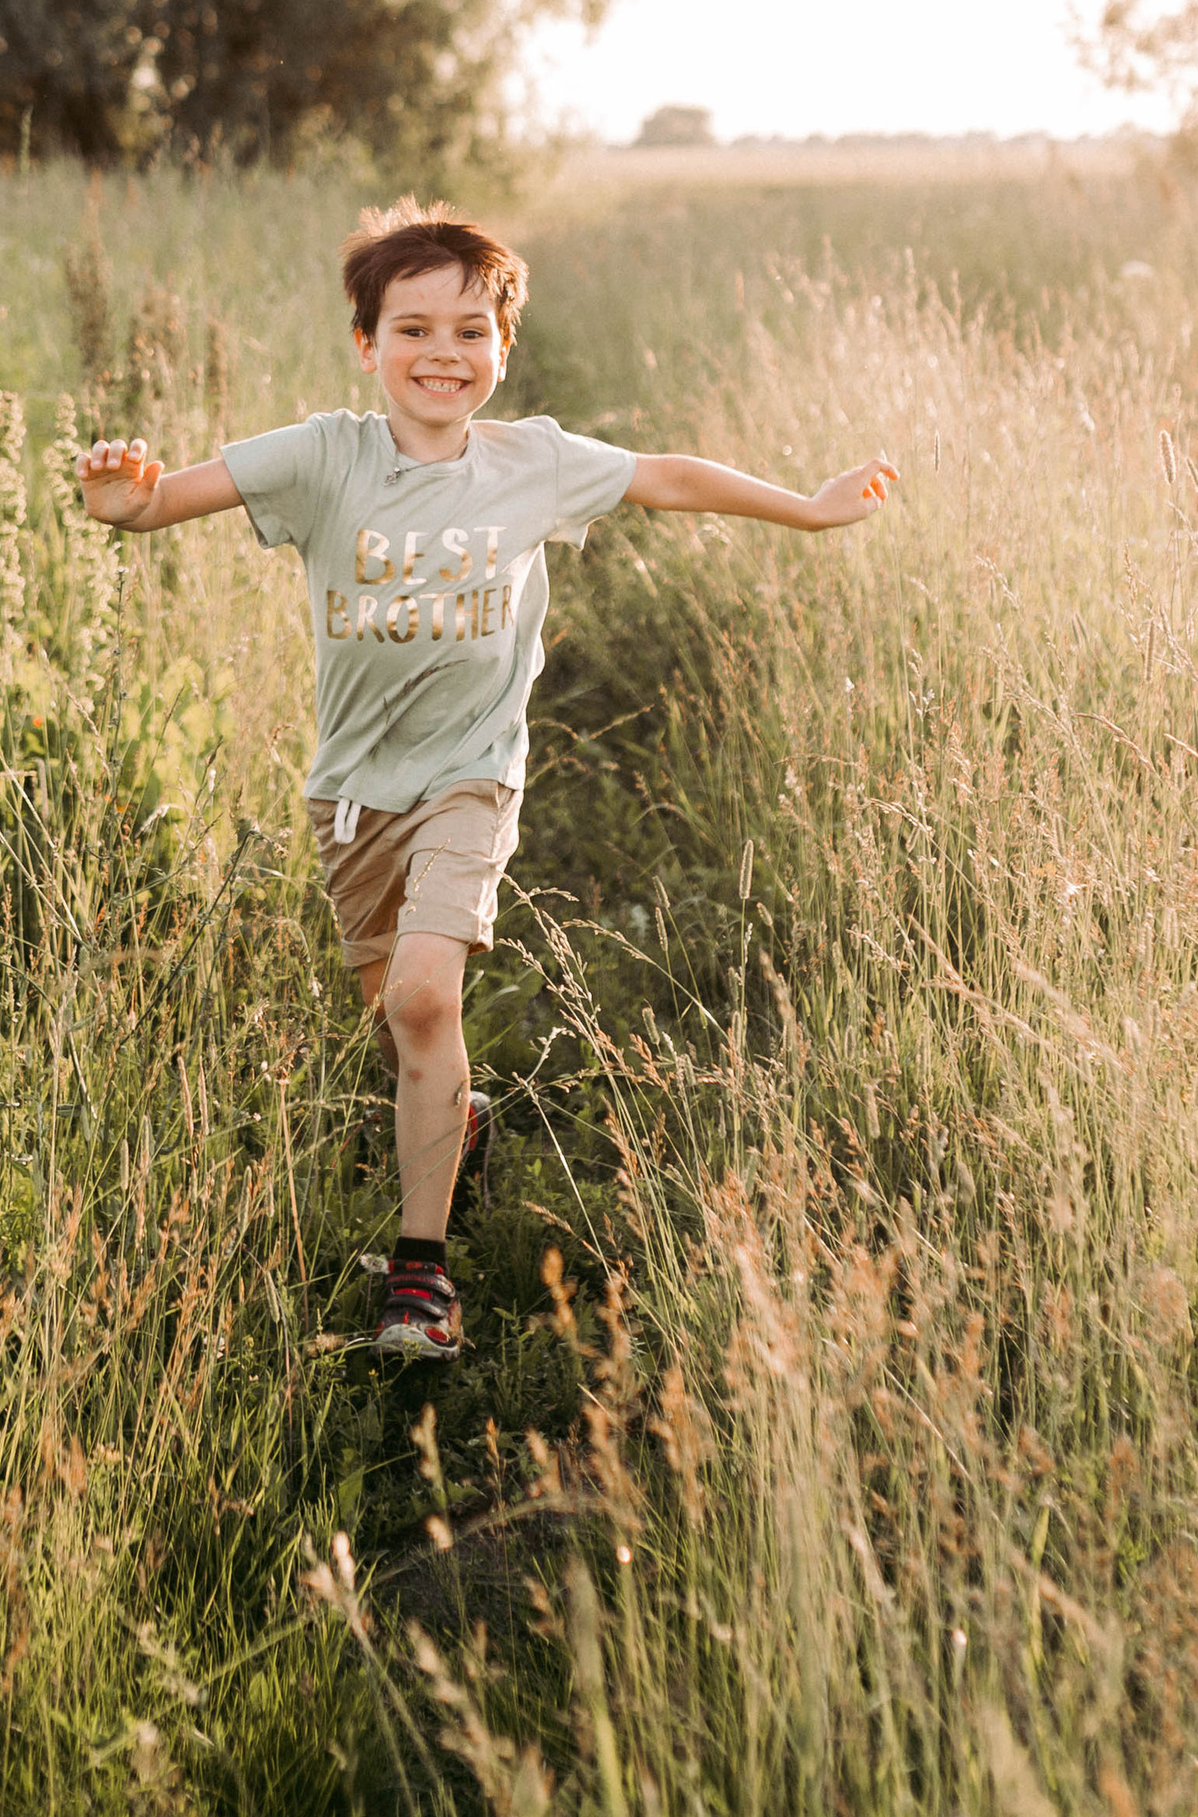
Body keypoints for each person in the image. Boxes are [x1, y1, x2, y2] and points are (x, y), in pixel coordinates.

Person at [76, 199, 898, 1360]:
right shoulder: (320, 455)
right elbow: (158, 500)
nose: (442, 353)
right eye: (412, 329)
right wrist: (122, 500)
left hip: (470, 776)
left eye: (470, 331)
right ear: (365, 343)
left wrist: (806, 509)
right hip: (352, 793)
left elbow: (665, 475)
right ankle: (454, 1118)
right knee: (396, 1016)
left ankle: (421, 1279)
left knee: (425, 997)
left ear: (503, 346)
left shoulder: (532, 463)